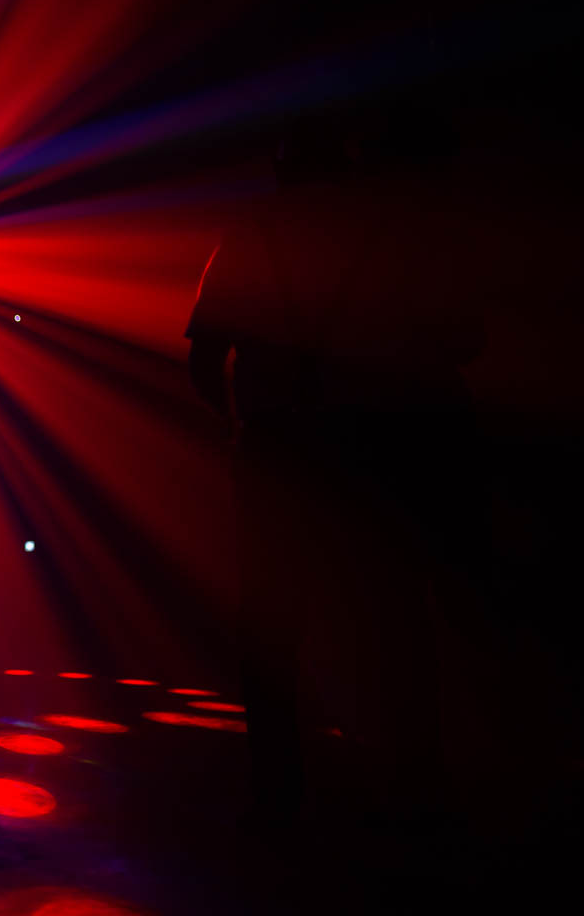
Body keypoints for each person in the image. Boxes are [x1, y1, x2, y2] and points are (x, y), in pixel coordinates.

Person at [187, 109, 483, 828]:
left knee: (271, 626)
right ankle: (417, 785)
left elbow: (204, 356)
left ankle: (278, 789)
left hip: (278, 449)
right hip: (378, 444)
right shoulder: (393, 231)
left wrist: (239, 424)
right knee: (393, 617)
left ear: (282, 168)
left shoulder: (250, 232)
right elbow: (461, 341)